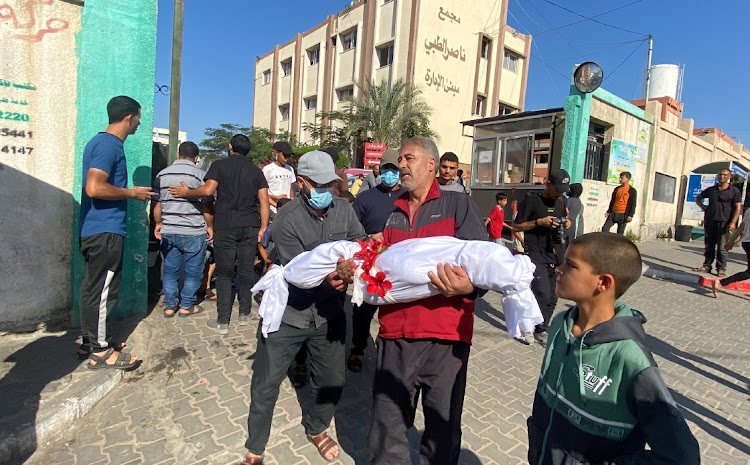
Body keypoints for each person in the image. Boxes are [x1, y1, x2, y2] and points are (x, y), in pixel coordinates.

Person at [354, 137, 487, 465]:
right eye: (400, 159)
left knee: (441, 427)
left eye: (408, 158)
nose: (401, 165)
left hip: (446, 338)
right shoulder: (393, 212)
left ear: (431, 164)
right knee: (388, 425)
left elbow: (487, 262)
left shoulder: (458, 206)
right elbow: (381, 266)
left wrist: (469, 287)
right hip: (394, 337)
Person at [527, 232, 700, 465]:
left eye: (570, 265)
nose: (558, 269)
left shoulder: (630, 357)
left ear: (604, 282)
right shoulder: (560, 324)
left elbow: (683, 456)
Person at [240, 151, 367, 465]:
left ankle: (317, 427)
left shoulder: (344, 211)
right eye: (320, 184)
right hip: (289, 314)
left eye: (332, 184)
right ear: (302, 183)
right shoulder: (287, 218)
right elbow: (299, 270)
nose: (328, 190)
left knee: (332, 380)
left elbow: (359, 244)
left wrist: (359, 268)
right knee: (266, 384)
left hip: (329, 315)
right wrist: (332, 277)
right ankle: (255, 447)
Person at [78, 95, 153, 369]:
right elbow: (95, 188)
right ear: (129, 117)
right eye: (138, 118)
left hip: (96, 229)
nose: (139, 123)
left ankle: (93, 340)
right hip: (105, 230)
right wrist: (132, 193)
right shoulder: (109, 145)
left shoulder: (102, 143)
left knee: (94, 289)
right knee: (102, 292)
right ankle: (100, 352)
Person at [169, 134, 270, 334]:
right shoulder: (256, 171)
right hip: (250, 225)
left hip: (226, 225)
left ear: (230, 146)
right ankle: (244, 314)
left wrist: (186, 193)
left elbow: (208, 190)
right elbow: (264, 201)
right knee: (246, 271)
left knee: (224, 273)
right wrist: (263, 227)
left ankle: (223, 321)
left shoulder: (219, 165)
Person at [348, 149, 404, 372]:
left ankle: (394, 353)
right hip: (371, 262)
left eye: (394, 170)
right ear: (379, 169)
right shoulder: (365, 198)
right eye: (386, 169)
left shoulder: (408, 197)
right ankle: (358, 349)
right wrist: (367, 238)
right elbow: (351, 227)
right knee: (363, 309)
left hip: (399, 261)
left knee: (397, 309)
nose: (390, 174)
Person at [153, 141, 213, 317]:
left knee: (170, 269)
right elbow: (208, 206)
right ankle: (187, 305)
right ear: (196, 158)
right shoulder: (200, 176)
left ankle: (170, 305)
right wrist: (210, 226)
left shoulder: (162, 175)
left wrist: (158, 223)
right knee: (193, 271)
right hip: (193, 231)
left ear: (178, 155)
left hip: (169, 229)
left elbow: (157, 204)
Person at [513, 170, 571, 347]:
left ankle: (542, 328)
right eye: (557, 189)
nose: (559, 193)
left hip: (555, 252)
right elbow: (516, 226)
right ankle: (527, 327)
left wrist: (566, 222)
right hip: (535, 253)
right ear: (547, 183)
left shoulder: (561, 201)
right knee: (543, 294)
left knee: (553, 297)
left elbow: (564, 218)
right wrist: (539, 222)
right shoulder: (532, 200)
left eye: (563, 190)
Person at [694, 168, 742, 276]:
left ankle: (721, 269)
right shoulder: (711, 190)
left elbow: (738, 207)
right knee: (709, 245)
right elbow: (698, 197)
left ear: (729, 177)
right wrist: (702, 206)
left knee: (722, 247)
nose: (722, 177)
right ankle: (707, 265)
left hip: (724, 222)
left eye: (725, 175)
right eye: (720, 175)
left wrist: (733, 222)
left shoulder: (734, 191)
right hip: (710, 220)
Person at [712, 206, 750, 297]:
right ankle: (721, 282)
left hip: (746, 242)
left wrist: (731, 241)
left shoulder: (749, 210)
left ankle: (721, 283)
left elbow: (742, 226)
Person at [262, 141, 295, 216]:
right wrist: (276, 199)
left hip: (287, 210)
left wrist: (292, 202)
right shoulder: (267, 169)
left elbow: (291, 189)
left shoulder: (290, 169)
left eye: (288, 156)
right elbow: (262, 193)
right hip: (273, 210)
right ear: (275, 153)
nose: (287, 158)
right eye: (284, 155)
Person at [602, 171, 637, 235]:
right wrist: (609, 211)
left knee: (620, 233)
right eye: (619, 178)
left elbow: (633, 203)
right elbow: (612, 201)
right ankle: (606, 243)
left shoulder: (632, 191)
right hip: (613, 213)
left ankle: (618, 244)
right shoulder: (617, 189)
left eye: (621, 178)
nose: (620, 179)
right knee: (605, 228)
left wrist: (630, 215)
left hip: (623, 215)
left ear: (627, 179)